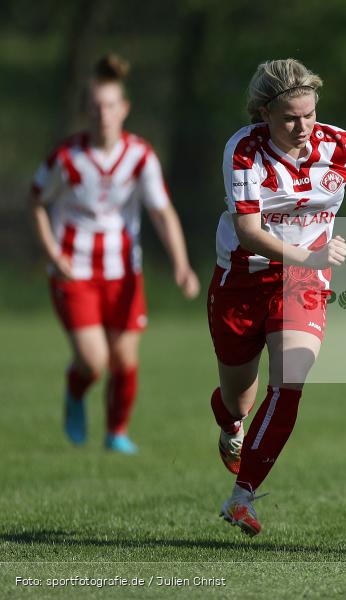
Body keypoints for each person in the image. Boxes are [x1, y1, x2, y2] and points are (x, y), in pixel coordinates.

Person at [209, 58, 346, 537]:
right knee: (237, 398)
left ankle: (242, 496)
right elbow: (247, 232)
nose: (303, 127)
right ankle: (230, 424)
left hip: (303, 282)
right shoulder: (244, 150)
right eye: (290, 117)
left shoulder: (339, 145)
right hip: (243, 281)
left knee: (291, 378)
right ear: (264, 113)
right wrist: (310, 256)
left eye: (309, 114)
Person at [29, 54, 200, 454]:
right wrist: (52, 252)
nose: (102, 113)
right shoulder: (66, 157)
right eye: (95, 105)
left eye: (110, 105)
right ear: (86, 110)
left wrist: (181, 264)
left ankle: (116, 432)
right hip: (74, 271)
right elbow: (35, 201)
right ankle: (76, 391)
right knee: (94, 361)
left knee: (124, 360)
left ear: (123, 109)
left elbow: (161, 212)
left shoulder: (140, 156)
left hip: (124, 272)